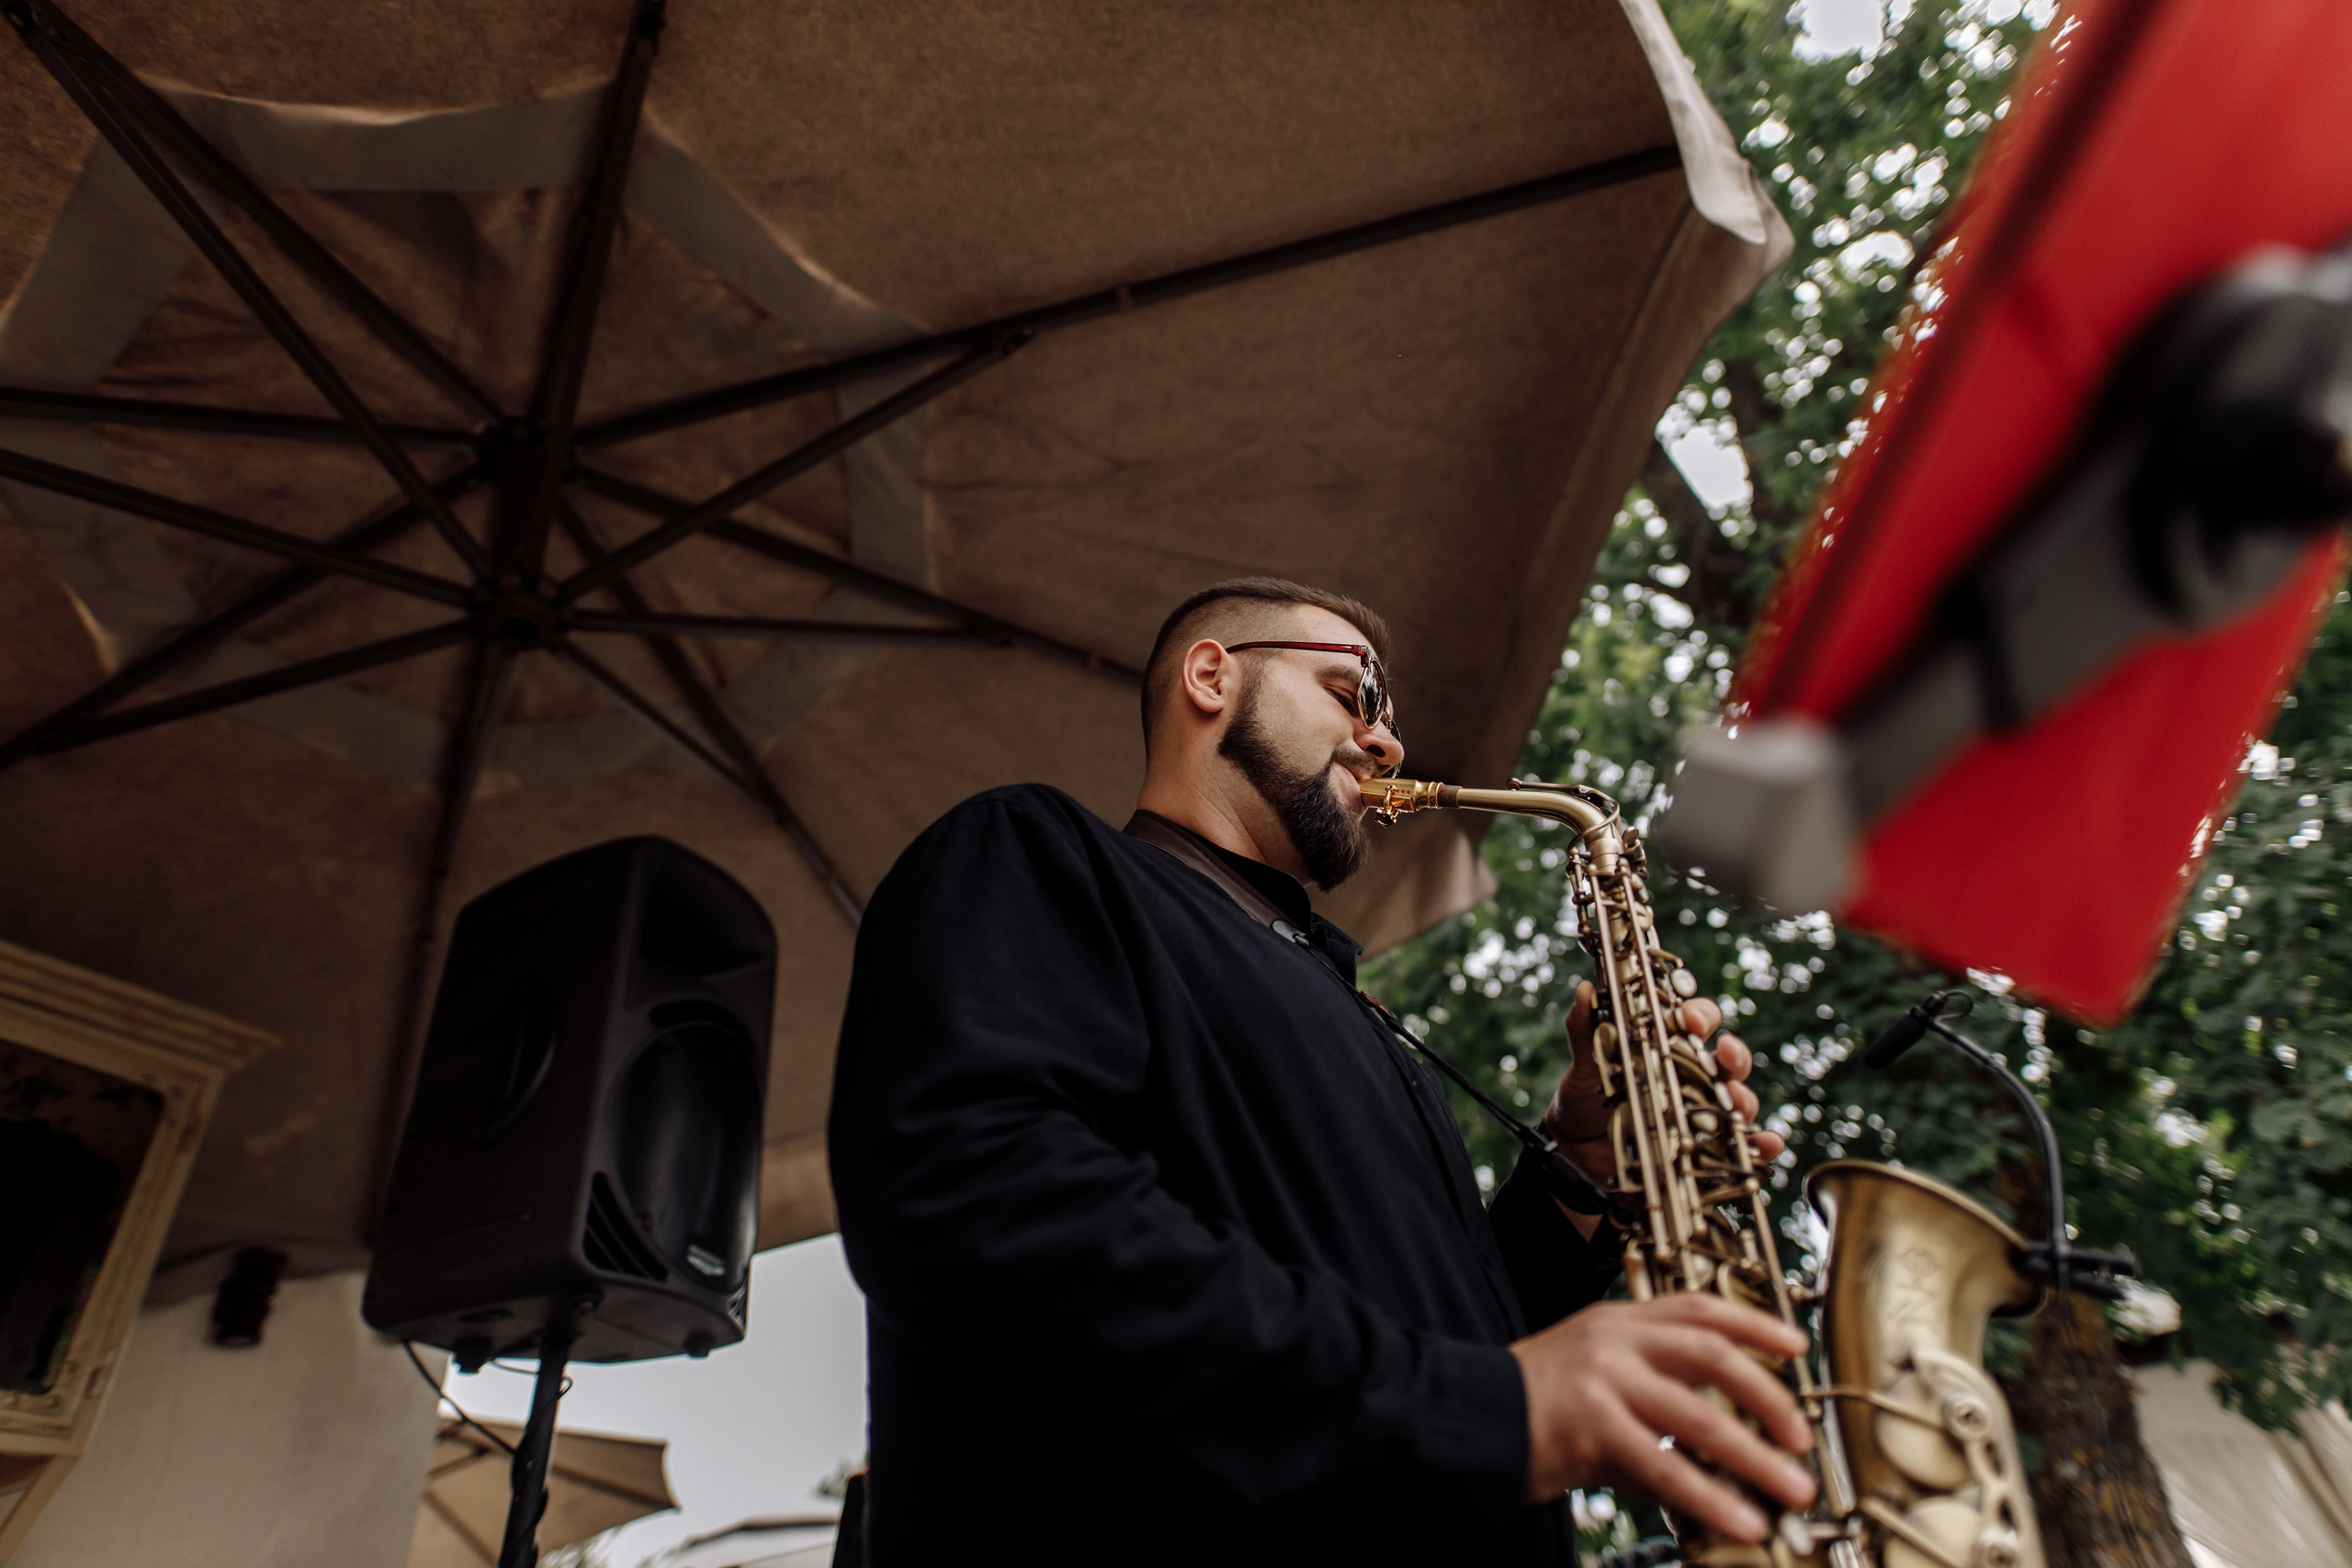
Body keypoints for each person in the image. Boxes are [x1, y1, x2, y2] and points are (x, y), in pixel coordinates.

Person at [828, 577, 1817, 1565]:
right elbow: (979, 1210)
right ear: (1212, 677)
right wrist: (1487, 1410)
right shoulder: (1037, 854)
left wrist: (1578, 1177)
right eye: (1358, 696)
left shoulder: (1344, 1002)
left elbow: (1431, 1327)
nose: (1387, 743)